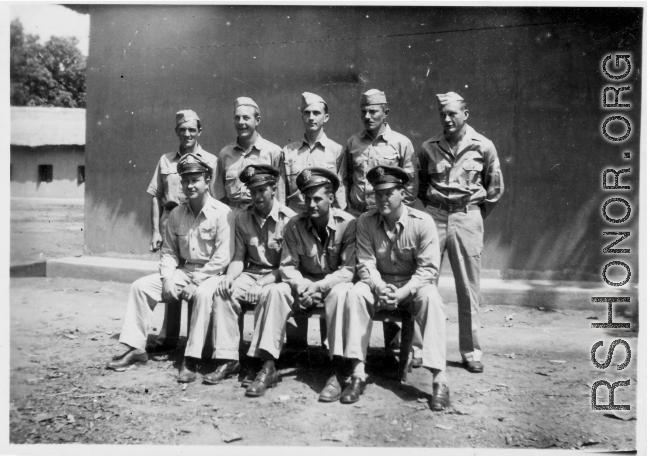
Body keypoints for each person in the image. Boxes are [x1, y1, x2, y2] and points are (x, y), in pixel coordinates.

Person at [107, 153, 234, 384]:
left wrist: (197, 281)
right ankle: (136, 348)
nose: (190, 185)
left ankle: (191, 357)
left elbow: (222, 257)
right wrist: (167, 279)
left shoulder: (223, 213)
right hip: (184, 271)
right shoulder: (176, 214)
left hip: (212, 274)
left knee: (203, 294)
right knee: (141, 286)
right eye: (185, 180)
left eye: (195, 179)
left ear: (207, 181)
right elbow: (169, 252)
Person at [242, 168, 357, 400]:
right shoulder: (294, 224)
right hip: (302, 285)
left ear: (331, 198)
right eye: (307, 198)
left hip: (333, 286)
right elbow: (287, 266)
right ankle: (268, 365)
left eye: (317, 198)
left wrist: (319, 287)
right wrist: (303, 286)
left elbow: (349, 270)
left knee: (343, 293)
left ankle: (338, 370)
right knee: (274, 290)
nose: (311, 204)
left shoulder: (348, 224)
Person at [346, 165, 449, 411]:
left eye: (388, 192)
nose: (382, 198)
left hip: (411, 288)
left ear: (402, 193)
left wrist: (403, 292)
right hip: (380, 285)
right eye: (377, 193)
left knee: (431, 298)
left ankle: (439, 380)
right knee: (356, 292)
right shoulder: (365, 221)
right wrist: (379, 287)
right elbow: (366, 263)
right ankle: (357, 373)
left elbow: (428, 270)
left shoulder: (422, 222)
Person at [416, 92, 504, 374]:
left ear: (466, 114)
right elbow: (420, 185)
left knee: (468, 288)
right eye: (443, 114)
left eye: (453, 113)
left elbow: (495, 188)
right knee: (424, 282)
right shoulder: (428, 147)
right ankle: (419, 348)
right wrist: (435, 209)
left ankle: (471, 351)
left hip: (467, 217)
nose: (447, 119)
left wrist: (472, 214)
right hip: (435, 216)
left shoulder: (483, 146)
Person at [343, 88, 423, 366]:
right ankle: (356, 348)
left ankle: (407, 346)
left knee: (395, 272)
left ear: (385, 112)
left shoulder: (401, 143)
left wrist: (395, 215)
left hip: (389, 219)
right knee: (363, 279)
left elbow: (409, 187)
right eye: (363, 111)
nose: (367, 116)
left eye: (373, 111)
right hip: (360, 219)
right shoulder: (353, 142)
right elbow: (346, 180)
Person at [207, 164, 296, 385]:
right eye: (252, 191)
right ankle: (228, 359)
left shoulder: (290, 219)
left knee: (268, 295)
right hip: (251, 272)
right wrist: (229, 278)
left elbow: (288, 266)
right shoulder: (242, 217)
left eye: (261, 190)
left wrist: (262, 284)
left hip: (280, 276)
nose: (256, 197)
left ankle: (259, 361)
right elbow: (239, 256)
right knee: (223, 293)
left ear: (273, 189)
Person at [146, 110, 218, 352]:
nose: (187, 134)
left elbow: (214, 196)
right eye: (182, 129)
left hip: (197, 223)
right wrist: (155, 230)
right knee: (170, 278)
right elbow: (155, 195)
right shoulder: (166, 160)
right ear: (176, 131)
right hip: (172, 222)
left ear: (200, 131)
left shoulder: (210, 160)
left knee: (195, 278)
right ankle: (169, 336)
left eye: (191, 129)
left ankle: (195, 340)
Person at [215, 97, 285, 213]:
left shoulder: (273, 152)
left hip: (263, 216)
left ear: (257, 120)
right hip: (233, 217)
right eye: (237, 118)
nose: (241, 122)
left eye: (246, 118)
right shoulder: (225, 154)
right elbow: (219, 194)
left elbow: (280, 195)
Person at [282, 92, 346, 213]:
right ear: (302, 117)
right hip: (295, 216)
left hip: (324, 216)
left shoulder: (336, 151)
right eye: (307, 113)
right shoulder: (288, 151)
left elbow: (340, 193)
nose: (311, 117)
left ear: (326, 117)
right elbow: (281, 193)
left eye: (316, 113)